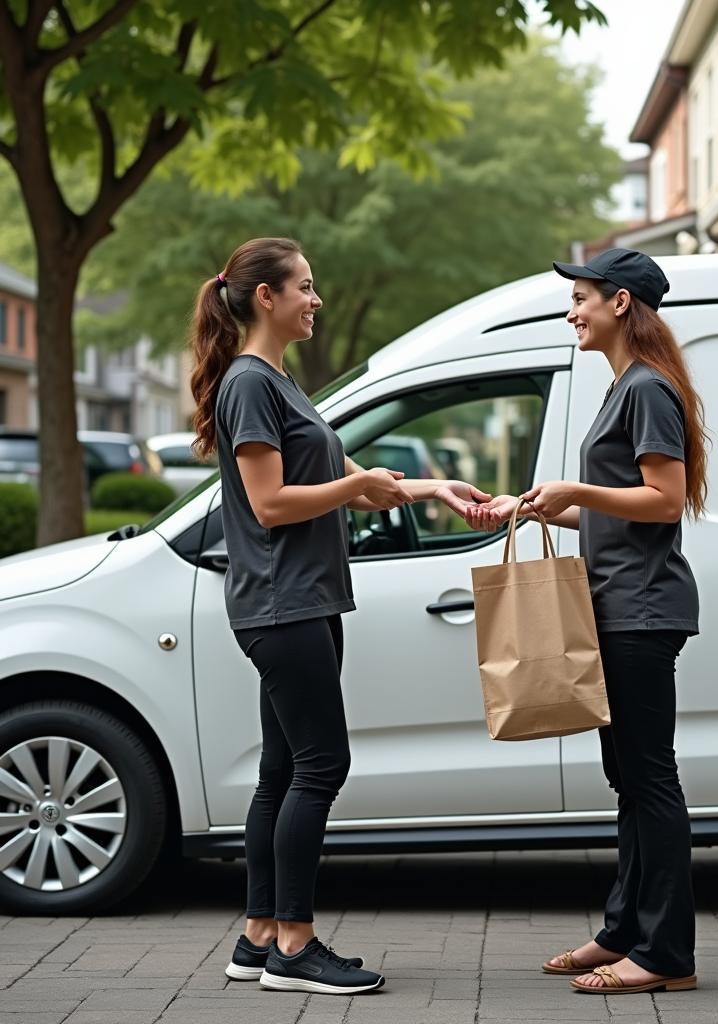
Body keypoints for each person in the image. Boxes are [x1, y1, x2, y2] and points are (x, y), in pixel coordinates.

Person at [189, 237, 489, 996]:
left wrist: (432, 488)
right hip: (282, 602)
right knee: (324, 764)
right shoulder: (250, 384)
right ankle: (296, 947)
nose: (315, 300)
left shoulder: (280, 382)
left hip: (300, 599)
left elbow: (343, 471)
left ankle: (259, 938)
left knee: (283, 768)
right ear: (267, 297)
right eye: (306, 287)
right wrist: (351, 493)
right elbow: (271, 502)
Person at [466, 248, 708, 996]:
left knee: (649, 779)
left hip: (640, 611)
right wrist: (536, 506)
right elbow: (612, 513)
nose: (572, 311)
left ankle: (666, 955)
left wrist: (576, 487)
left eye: (582, 298)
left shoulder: (648, 391)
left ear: (622, 304)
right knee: (628, 781)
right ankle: (623, 931)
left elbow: (664, 501)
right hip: (617, 604)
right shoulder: (626, 387)